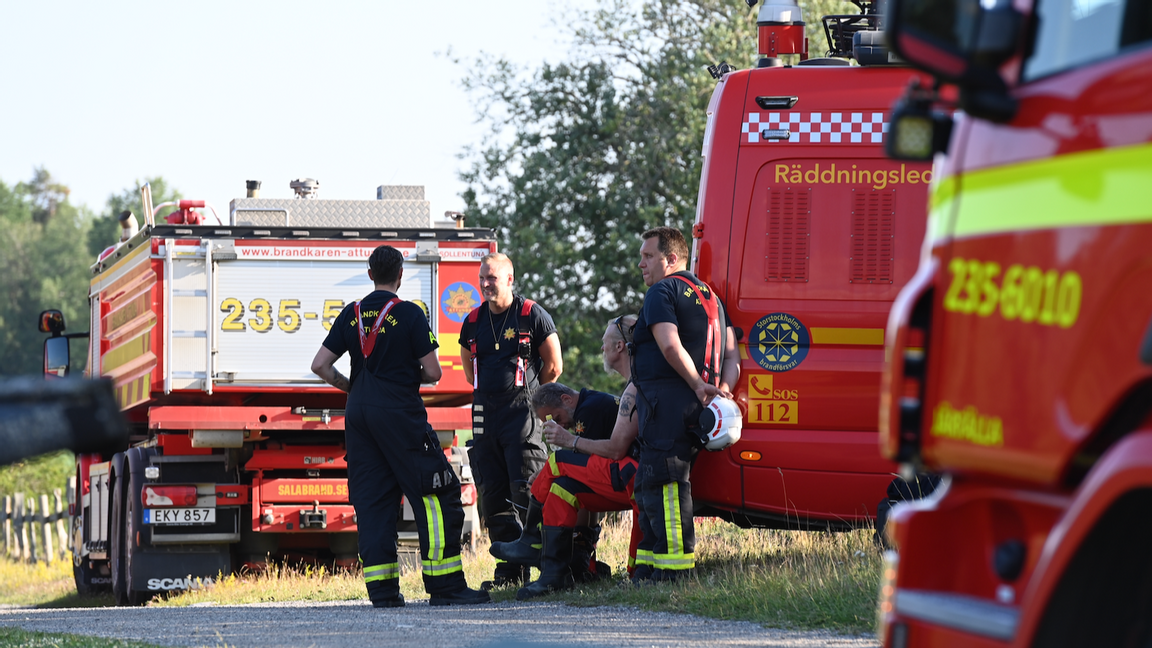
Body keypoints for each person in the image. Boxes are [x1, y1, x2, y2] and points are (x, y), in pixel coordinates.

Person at [311, 245, 489, 607]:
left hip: (358, 416)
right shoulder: (409, 313)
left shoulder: (352, 313)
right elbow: (435, 373)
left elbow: (320, 366)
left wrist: (353, 387)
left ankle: (383, 592)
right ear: (401, 274)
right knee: (437, 494)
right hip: (399, 414)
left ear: (370, 273)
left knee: (373, 502)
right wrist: (408, 376)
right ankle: (446, 586)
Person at [491, 316, 648, 599]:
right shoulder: (628, 388)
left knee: (559, 461)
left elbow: (614, 451)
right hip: (627, 477)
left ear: (621, 347)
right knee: (563, 489)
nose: (601, 349)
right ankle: (554, 575)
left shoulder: (632, 389)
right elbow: (595, 468)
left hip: (632, 476)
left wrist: (570, 441)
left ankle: (530, 540)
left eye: (604, 344)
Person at [631, 227, 739, 582]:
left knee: (666, 483)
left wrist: (697, 385)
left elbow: (669, 344)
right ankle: (646, 569)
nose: (641, 264)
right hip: (694, 408)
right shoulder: (711, 296)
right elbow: (732, 354)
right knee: (650, 483)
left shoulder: (661, 291)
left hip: (669, 403)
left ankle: (673, 571)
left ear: (672, 259)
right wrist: (720, 388)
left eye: (648, 257)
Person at [458, 252, 563, 589]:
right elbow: (467, 368)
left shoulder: (532, 314)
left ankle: (547, 566)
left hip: (522, 415)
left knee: (528, 489)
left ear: (509, 279)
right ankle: (508, 573)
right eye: (482, 279)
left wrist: (533, 401)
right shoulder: (473, 321)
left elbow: (554, 367)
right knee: (492, 493)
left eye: (492, 278)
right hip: (485, 417)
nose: (486, 284)